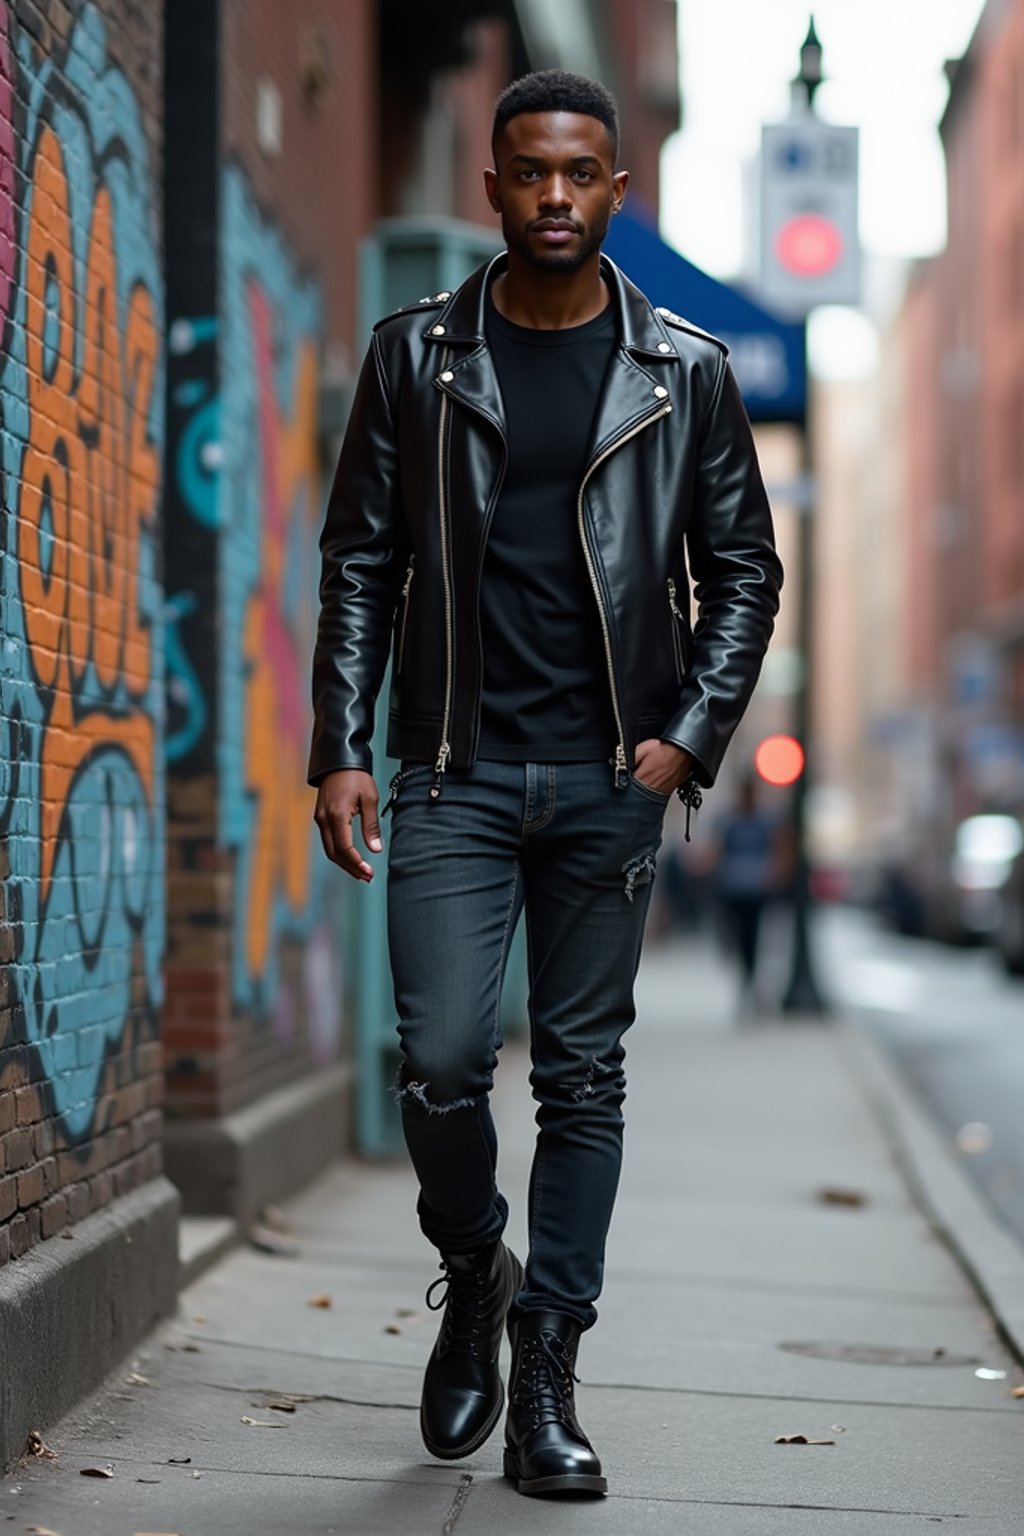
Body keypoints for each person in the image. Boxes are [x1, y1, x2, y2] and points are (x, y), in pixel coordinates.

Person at [309, 70, 782, 1498]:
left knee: (583, 1078)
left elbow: (744, 574)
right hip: (451, 775)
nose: (558, 197)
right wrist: (340, 743)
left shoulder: (684, 372)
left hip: (608, 781)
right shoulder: (415, 359)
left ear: (616, 193)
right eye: (532, 174)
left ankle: (550, 1371)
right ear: (496, 189)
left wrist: (689, 735)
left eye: (583, 174)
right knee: (442, 1063)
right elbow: (359, 567)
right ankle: (475, 1271)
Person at [714, 774, 786, 1013]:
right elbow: (719, 851)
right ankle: (748, 980)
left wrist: (773, 873)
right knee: (736, 938)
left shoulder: (765, 821)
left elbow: (778, 850)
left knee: (752, 939)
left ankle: (750, 982)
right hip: (734, 889)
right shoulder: (730, 820)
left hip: (755, 890)